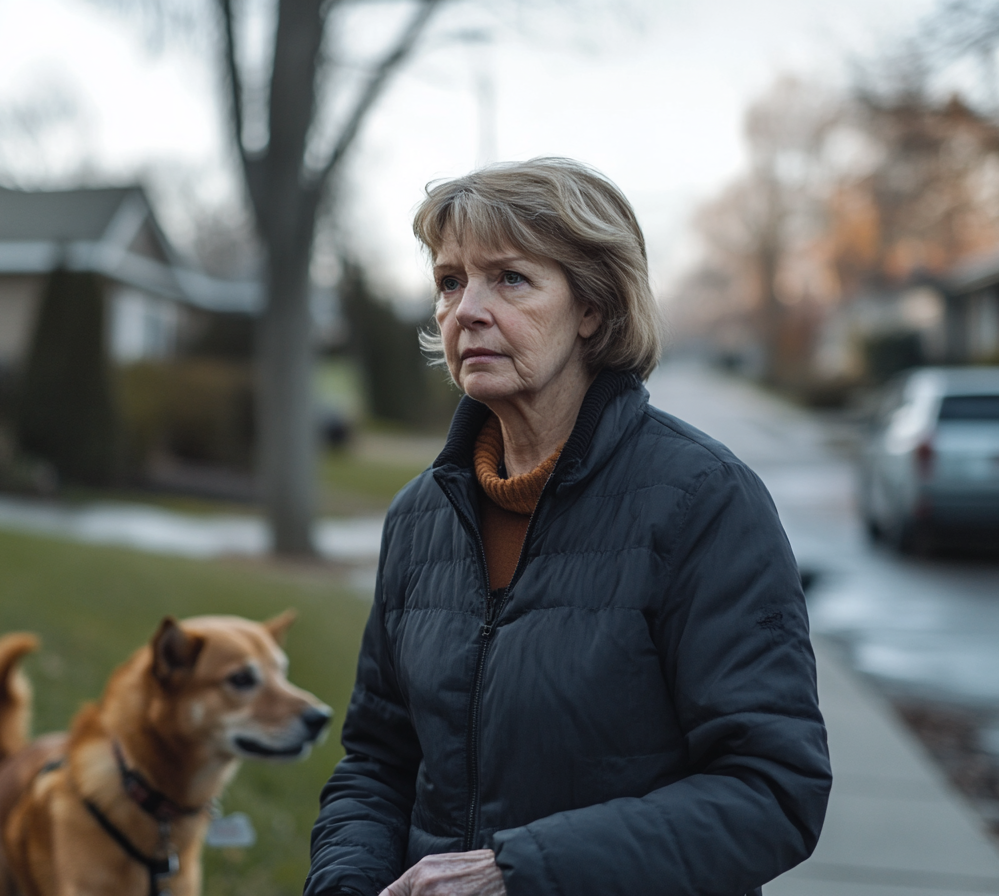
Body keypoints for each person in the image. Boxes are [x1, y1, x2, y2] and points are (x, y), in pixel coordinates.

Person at [305, 158, 831, 896]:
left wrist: (518, 873)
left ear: (593, 308)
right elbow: (377, 762)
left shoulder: (705, 501)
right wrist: (346, 882)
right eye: (450, 282)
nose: (466, 311)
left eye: (510, 279)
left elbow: (773, 791)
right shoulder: (420, 517)